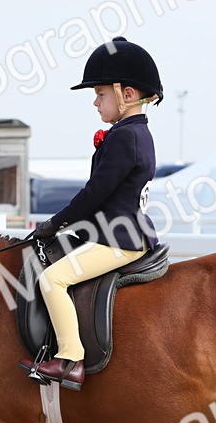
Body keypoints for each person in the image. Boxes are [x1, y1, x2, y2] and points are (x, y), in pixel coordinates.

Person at [18, 36, 163, 390]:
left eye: (100, 95)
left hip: (118, 239)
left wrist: (55, 223)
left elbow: (95, 193)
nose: (96, 103)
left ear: (127, 94)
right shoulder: (134, 133)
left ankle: (70, 359)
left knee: (52, 279)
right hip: (117, 232)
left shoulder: (124, 138)